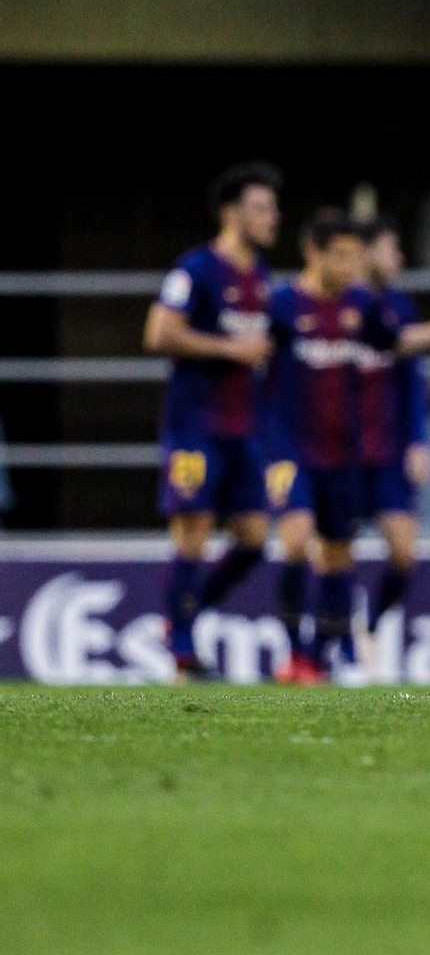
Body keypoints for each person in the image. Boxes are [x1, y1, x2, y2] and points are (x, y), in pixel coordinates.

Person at [143, 162, 281, 680]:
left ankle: (183, 614)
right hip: (195, 427)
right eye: (262, 208)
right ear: (231, 214)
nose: (273, 218)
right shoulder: (195, 270)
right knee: (193, 532)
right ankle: (182, 652)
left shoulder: (261, 278)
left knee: (252, 538)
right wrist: (232, 348)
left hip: (243, 429)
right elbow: (158, 334)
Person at [264, 210, 409, 685]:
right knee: (295, 536)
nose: (351, 266)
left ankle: (317, 658)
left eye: (355, 256)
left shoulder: (360, 306)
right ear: (314, 253)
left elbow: (396, 343)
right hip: (289, 447)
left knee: (339, 555)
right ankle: (292, 652)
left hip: (343, 452)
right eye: (341, 256)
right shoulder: (280, 304)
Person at [356, 216, 430, 663]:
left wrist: (418, 439)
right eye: (392, 247)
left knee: (404, 554)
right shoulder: (334, 303)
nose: (400, 258)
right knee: (330, 551)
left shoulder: (398, 305)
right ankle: (316, 647)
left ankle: (367, 626)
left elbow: (412, 377)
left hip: (389, 449)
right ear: (367, 250)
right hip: (340, 450)